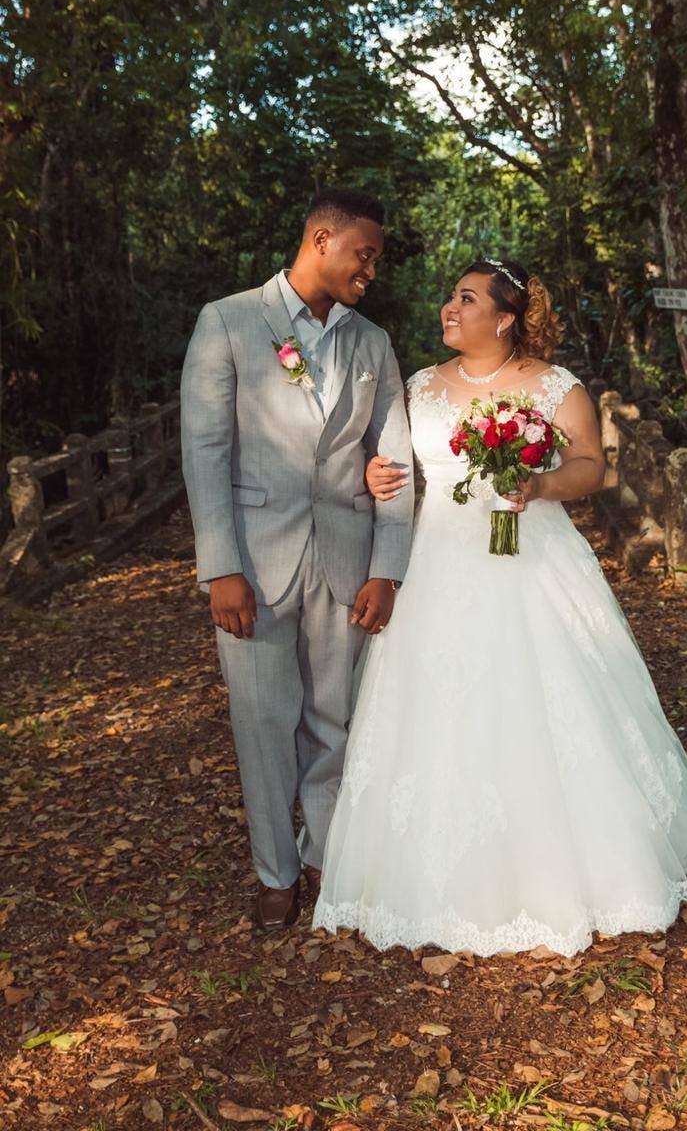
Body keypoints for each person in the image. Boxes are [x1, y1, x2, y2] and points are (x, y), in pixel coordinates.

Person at [314, 258, 687, 957]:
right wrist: (376, 472)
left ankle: (569, 866)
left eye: (467, 299)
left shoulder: (556, 386)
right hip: (438, 561)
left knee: (542, 696)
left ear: (503, 319)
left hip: (532, 560)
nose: (450, 307)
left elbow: (589, 466)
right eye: (451, 295)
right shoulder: (418, 385)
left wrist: (539, 484)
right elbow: (390, 459)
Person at [180, 187, 414, 932]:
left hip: (346, 558)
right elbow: (204, 450)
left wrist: (387, 566)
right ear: (320, 240)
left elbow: (394, 457)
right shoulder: (227, 321)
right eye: (363, 255)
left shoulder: (373, 342)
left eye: (375, 260)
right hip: (253, 562)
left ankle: (324, 858)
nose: (370, 271)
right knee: (261, 722)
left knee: (334, 720)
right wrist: (220, 567)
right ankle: (274, 872)